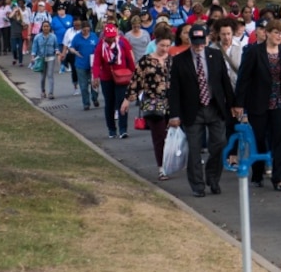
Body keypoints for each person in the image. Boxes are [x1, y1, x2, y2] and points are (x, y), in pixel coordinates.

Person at [168, 24, 236, 197]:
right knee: (194, 148)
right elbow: (174, 89)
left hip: (214, 107)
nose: (199, 46)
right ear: (190, 40)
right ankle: (197, 185)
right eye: (195, 42)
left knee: (219, 143)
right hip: (193, 110)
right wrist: (174, 114)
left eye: (201, 42)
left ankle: (213, 178)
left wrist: (233, 104)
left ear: (207, 39)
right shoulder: (179, 60)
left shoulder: (215, 56)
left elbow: (225, 82)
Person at [233, 19, 281, 190]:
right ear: (267, 33)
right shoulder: (254, 52)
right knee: (259, 140)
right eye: (276, 32)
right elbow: (244, 78)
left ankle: (278, 178)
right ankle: (257, 172)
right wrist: (239, 103)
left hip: (279, 102)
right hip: (259, 102)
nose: (279, 36)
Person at [122, 25, 174, 180]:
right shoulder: (146, 61)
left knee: (172, 136)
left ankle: (172, 162)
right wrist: (127, 100)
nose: (165, 49)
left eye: (167, 45)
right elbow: (136, 81)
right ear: (155, 44)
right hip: (153, 103)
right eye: (162, 45)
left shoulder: (173, 61)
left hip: (171, 103)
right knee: (159, 137)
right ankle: (162, 167)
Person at [91, 23, 137, 139]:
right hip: (107, 77)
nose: (111, 39)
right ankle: (111, 129)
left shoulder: (123, 42)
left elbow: (129, 59)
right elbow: (96, 62)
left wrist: (134, 74)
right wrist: (95, 76)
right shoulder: (100, 45)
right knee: (109, 103)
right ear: (104, 36)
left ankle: (123, 129)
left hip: (122, 76)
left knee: (122, 102)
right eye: (109, 37)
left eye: (113, 36)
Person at [67, 21, 100, 111]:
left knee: (94, 83)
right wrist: (74, 51)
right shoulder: (77, 37)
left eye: (87, 30)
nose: (85, 31)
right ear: (81, 29)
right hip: (81, 64)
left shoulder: (93, 36)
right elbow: (71, 47)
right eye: (84, 30)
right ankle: (86, 103)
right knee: (83, 85)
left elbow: (98, 47)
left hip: (93, 63)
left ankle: (95, 98)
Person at [30, 20, 60, 100]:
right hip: (41, 58)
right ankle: (43, 91)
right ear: (42, 27)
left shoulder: (53, 36)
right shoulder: (37, 37)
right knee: (43, 76)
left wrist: (57, 51)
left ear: (49, 27)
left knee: (50, 75)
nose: (46, 28)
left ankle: (51, 93)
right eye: (44, 26)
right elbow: (34, 48)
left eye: (47, 26)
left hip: (51, 58)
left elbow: (56, 46)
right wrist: (33, 57)